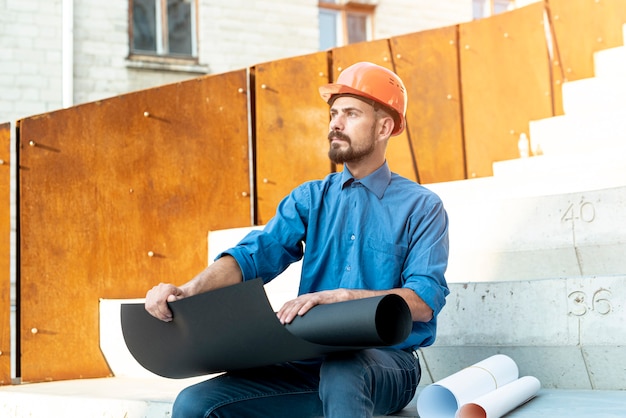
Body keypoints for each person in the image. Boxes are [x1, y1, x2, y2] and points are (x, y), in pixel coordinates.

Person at [145, 61, 450, 418]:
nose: (335, 123)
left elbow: (424, 300)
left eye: (350, 113)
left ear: (384, 126)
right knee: (196, 404)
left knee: (344, 371)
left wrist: (345, 298)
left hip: (386, 364)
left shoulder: (422, 206)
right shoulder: (310, 199)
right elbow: (253, 257)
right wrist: (186, 292)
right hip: (310, 360)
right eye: (334, 113)